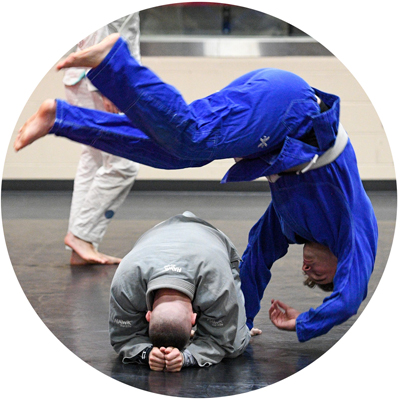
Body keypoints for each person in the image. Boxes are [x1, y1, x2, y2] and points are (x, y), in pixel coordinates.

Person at [14, 33, 378, 343]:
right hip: (292, 107)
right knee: (193, 138)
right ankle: (114, 60)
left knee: (177, 154)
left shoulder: (290, 227)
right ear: (343, 264)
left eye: (307, 278)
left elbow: (254, 266)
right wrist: (305, 321)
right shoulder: (353, 228)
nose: (309, 273)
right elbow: (350, 298)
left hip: (275, 122)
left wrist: (240, 325)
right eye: (321, 277)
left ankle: (61, 117)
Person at [109, 211, 261, 372]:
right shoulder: (126, 281)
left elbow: (223, 342)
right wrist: (146, 353)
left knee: (235, 346)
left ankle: (239, 329)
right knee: (222, 338)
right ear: (193, 319)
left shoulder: (216, 282)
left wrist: (187, 357)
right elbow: (122, 336)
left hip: (212, 240)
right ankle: (177, 329)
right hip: (159, 232)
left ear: (148, 314)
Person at [63, 15, 140, 266]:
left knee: (94, 159)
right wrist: (108, 84)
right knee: (123, 165)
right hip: (100, 78)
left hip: (85, 77)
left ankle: (82, 244)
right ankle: (81, 237)